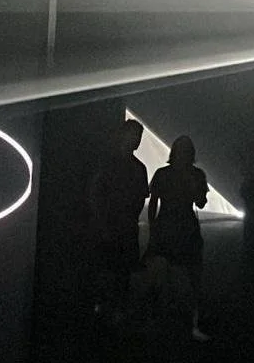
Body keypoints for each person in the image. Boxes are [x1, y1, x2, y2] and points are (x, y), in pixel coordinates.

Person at [145, 135, 211, 341]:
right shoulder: (193, 174)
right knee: (174, 277)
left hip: (174, 228)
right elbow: (199, 203)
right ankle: (182, 322)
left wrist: (153, 226)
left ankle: (163, 320)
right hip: (177, 228)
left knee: (180, 277)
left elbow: (199, 202)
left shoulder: (167, 174)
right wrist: (154, 226)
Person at [87, 120, 149, 320]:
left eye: (139, 136)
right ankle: (109, 309)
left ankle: (108, 309)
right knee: (112, 269)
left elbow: (97, 193)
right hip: (114, 226)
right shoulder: (116, 165)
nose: (137, 140)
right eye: (135, 136)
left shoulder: (132, 167)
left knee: (118, 271)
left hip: (122, 227)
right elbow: (97, 194)